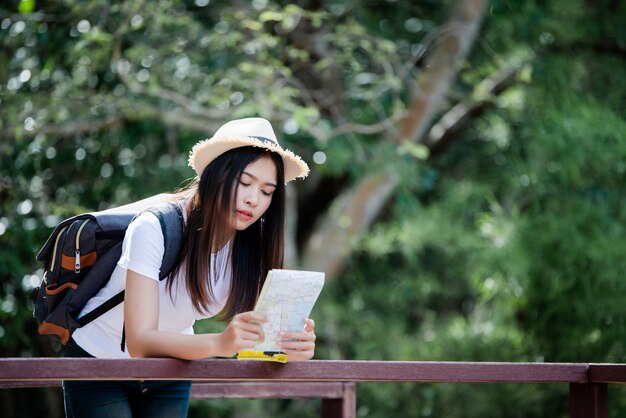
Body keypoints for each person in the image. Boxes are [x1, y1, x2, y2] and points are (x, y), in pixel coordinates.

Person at [62, 117, 315, 418]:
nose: (253, 199)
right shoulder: (154, 227)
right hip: (99, 362)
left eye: (266, 191)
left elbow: (257, 345)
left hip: (171, 369)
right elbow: (140, 342)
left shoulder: (252, 247)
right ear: (215, 174)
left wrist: (289, 348)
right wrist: (220, 343)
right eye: (244, 182)